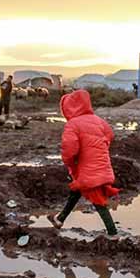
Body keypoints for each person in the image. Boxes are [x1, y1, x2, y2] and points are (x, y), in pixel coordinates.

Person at [49, 89, 119, 236]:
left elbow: (69, 149)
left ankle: (113, 234)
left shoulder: (73, 124)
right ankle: (60, 219)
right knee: (76, 191)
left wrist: (69, 162)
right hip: (102, 165)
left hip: (88, 170)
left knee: (98, 201)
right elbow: (110, 135)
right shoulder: (99, 121)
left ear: (68, 108)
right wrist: (99, 148)